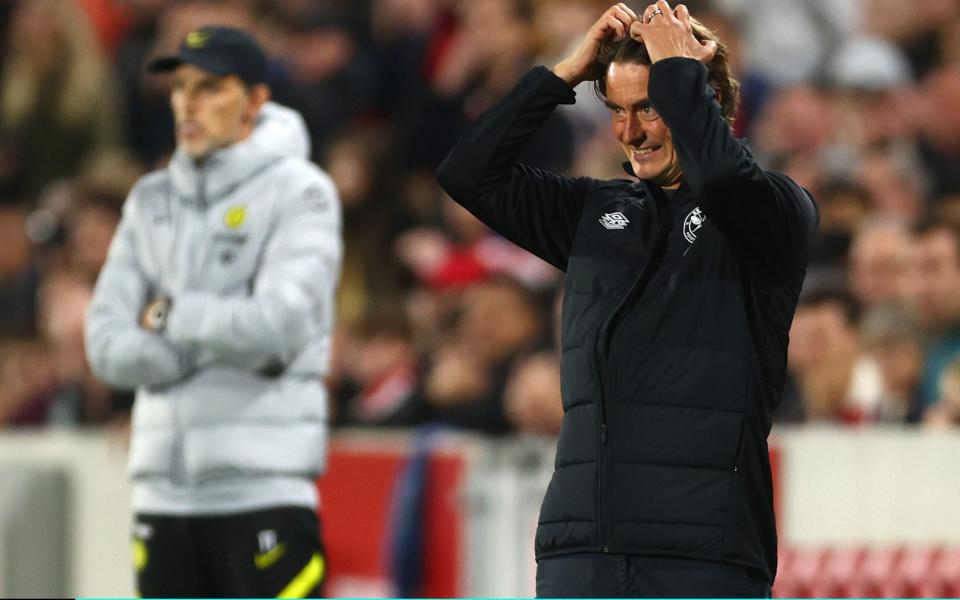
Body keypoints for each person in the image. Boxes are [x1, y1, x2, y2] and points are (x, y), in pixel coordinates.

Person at [436, 2, 817, 597]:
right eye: (615, 110)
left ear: (703, 102)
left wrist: (681, 74)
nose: (629, 132)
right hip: (579, 552)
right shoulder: (591, 212)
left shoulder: (773, 215)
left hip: (702, 557)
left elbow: (719, 179)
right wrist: (563, 72)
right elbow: (468, 172)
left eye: (649, 108)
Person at [84, 26, 342, 598]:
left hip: (263, 492)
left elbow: (278, 326)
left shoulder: (302, 192)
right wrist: (208, 342)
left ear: (256, 99)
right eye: (179, 88)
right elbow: (104, 345)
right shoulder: (149, 201)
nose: (188, 104)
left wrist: (167, 313)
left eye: (209, 87)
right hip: (161, 497)